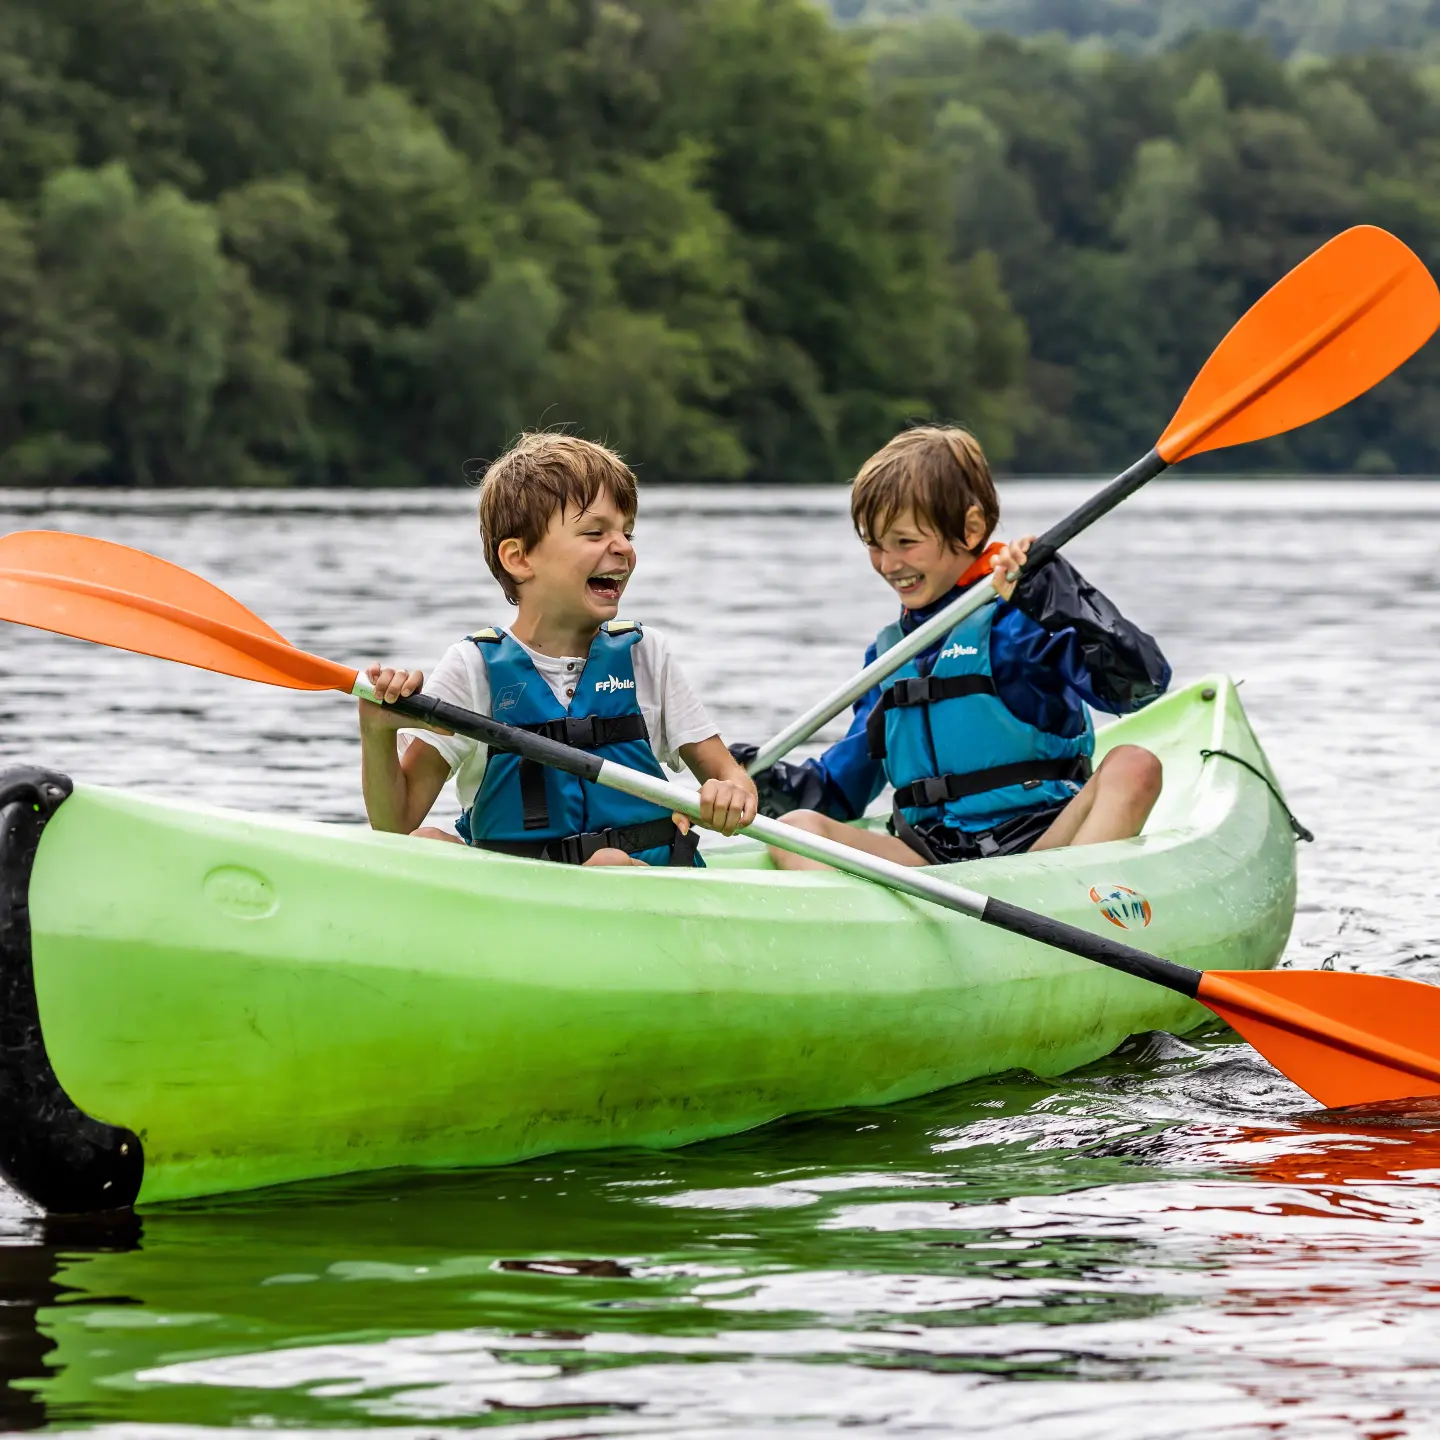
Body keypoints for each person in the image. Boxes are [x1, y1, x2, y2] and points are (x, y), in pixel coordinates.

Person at [744, 425, 1170, 871]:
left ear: (969, 530)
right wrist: (761, 782)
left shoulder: (1023, 621)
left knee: (1134, 765)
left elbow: (1140, 685)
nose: (889, 565)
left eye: (905, 542)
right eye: (874, 545)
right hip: (930, 859)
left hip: (1045, 848)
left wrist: (1060, 599)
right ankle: (869, 934)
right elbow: (842, 788)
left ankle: (1076, 908)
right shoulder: (891, 655)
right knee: (796, 828)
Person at [360, 433, 757, 867]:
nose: (623, 546)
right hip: (521, 901)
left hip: (645, 888)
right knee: (425, 841)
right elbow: (394, 827)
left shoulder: (646, 656)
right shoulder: (472, 669)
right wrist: (377, 733)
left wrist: (730, 791)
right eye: (594, 532)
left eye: (627, 532)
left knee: (608, 863)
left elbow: (729, 774)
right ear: (519, 558)